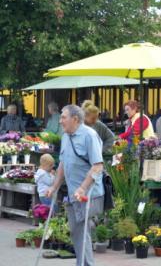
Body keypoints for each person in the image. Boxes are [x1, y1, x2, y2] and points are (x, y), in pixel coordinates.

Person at [45, 104, 104, 266]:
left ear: (75, 119)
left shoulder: (89, 135)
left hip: (88, 194)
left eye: (63, 117)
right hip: (73, 193)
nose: (60, 121)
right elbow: (63, 164)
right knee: (77, 232)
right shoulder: (66, 136)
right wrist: (54, 186)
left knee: (81, 230)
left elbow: (98, 166)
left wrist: (83, 188)